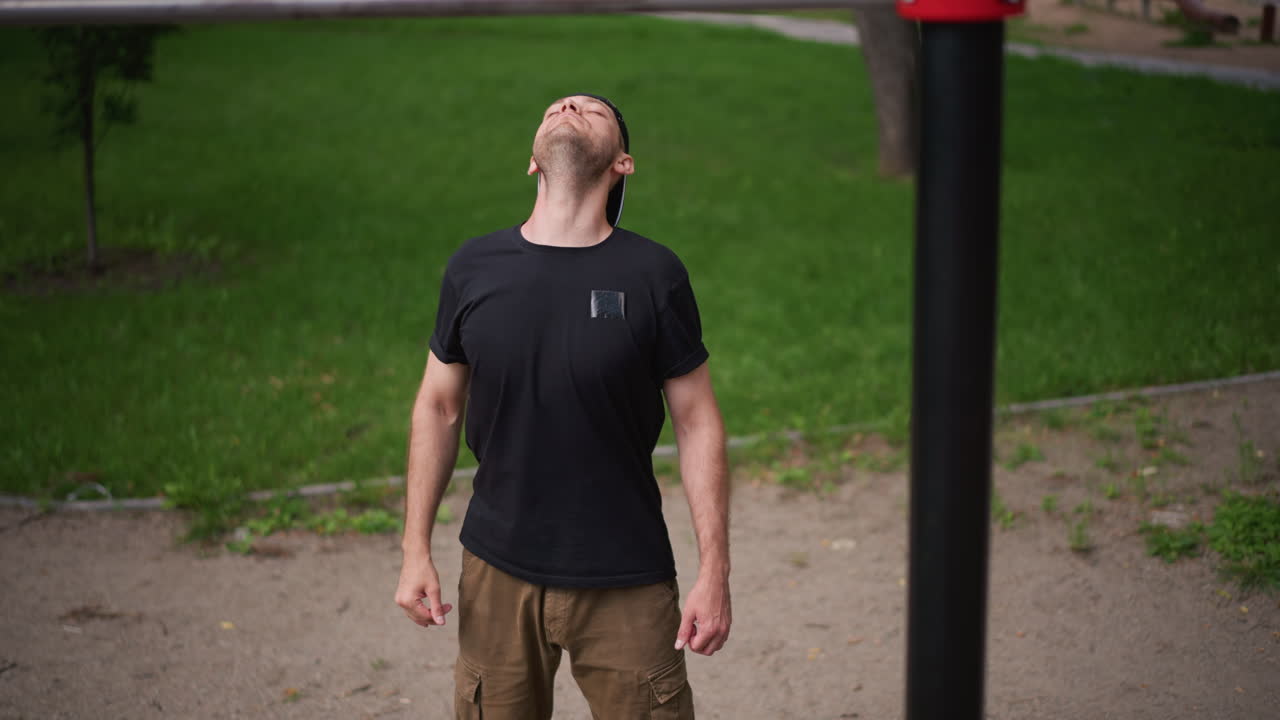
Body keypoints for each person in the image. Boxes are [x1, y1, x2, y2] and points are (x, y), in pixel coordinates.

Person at [394, 94, 731, 720]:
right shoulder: (474, 267)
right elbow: (439, 406)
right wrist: (415, 548)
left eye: (593, 110)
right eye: (556, 106)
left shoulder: (654, 274)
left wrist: (716, 572)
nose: (570, 105)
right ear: (532, 162)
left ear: (623, 163)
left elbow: (697, 419)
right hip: (497, 567)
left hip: (626, 571)